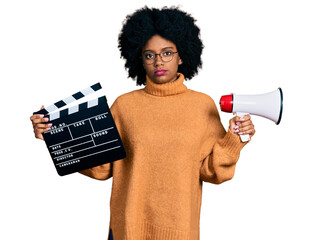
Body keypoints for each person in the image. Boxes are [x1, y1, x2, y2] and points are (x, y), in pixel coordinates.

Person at [30, 6, 255, 240]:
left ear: (181, 56)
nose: (159, 61)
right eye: (150, 55)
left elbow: (212, 172)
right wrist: (55, 135)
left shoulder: (202, 106)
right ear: (139, 59)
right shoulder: (125, 106)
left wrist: (234, 140)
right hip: (128, 230)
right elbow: (103, 167)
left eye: (167, 53)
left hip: (180, 232)